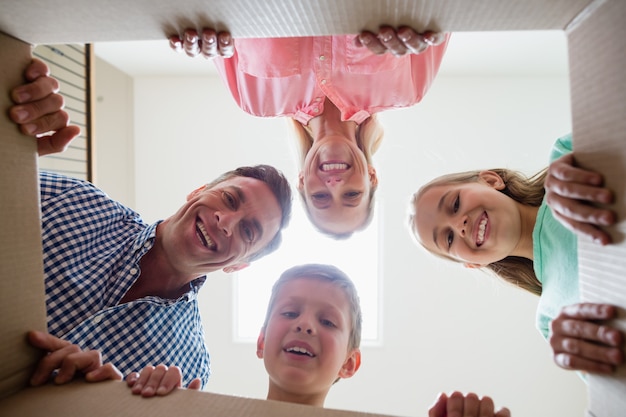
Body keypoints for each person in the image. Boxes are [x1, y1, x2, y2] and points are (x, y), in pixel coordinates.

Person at [9, 58, 293, 389]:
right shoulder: (72, 201)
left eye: (248, 231)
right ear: (197, 192)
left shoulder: (187, 371)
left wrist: (111, 407)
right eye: (229, 199)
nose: (226, 222)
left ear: (239, 265)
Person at [27, 264, 509, 416]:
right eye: (290, 312)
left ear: (350, 364)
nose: (304, 325)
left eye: (328, 322)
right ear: (260, 342)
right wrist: (120, 403)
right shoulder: (193, 404)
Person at [169, 26, 450, 238]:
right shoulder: (407, 89)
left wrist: (199, 34)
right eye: (352, 195)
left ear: (302, 181)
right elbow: (443, 14)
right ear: (372, 176)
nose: (335, 184)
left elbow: (216, 21)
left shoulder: (255, 99)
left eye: (320, 198)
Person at [408, 133, 624, 376]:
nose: (460, 225)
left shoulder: (567, 161)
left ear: (491, 180)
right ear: (472, 263)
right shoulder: (553, 320)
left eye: (455, 204)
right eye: (448, 238)